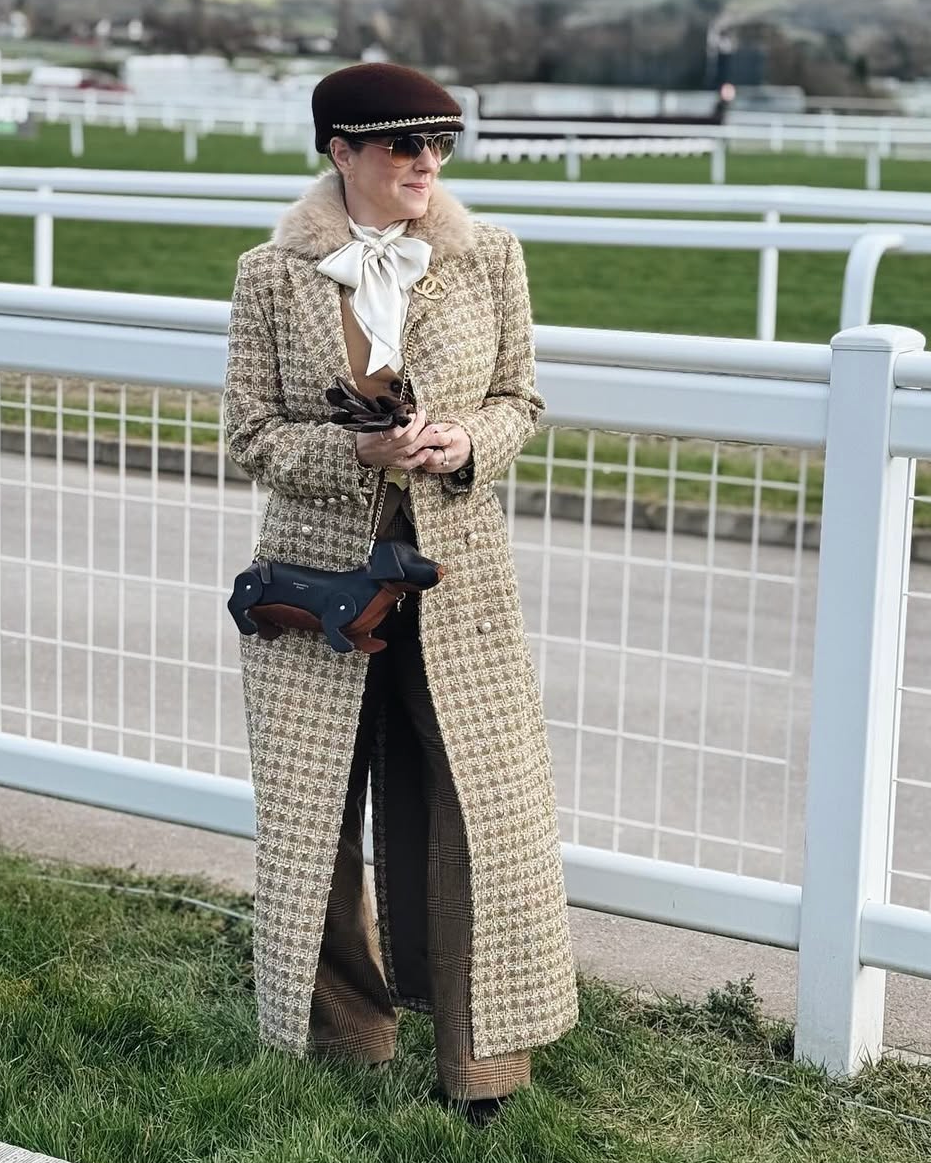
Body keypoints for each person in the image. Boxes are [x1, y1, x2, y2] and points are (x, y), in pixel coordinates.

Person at [223, 61, 578, 1127]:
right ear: (340, 152)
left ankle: (483, 1065)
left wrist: (465, 439)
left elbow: (522, 394)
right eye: (399, 145)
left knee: (479, 803)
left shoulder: (489, 257)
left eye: (439, 145)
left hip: (457, 577)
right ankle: (344, 1035)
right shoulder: (268, 274)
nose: (424, 163)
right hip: (316, 581)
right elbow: (251, 437)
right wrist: (356, 449)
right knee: (313, 812)